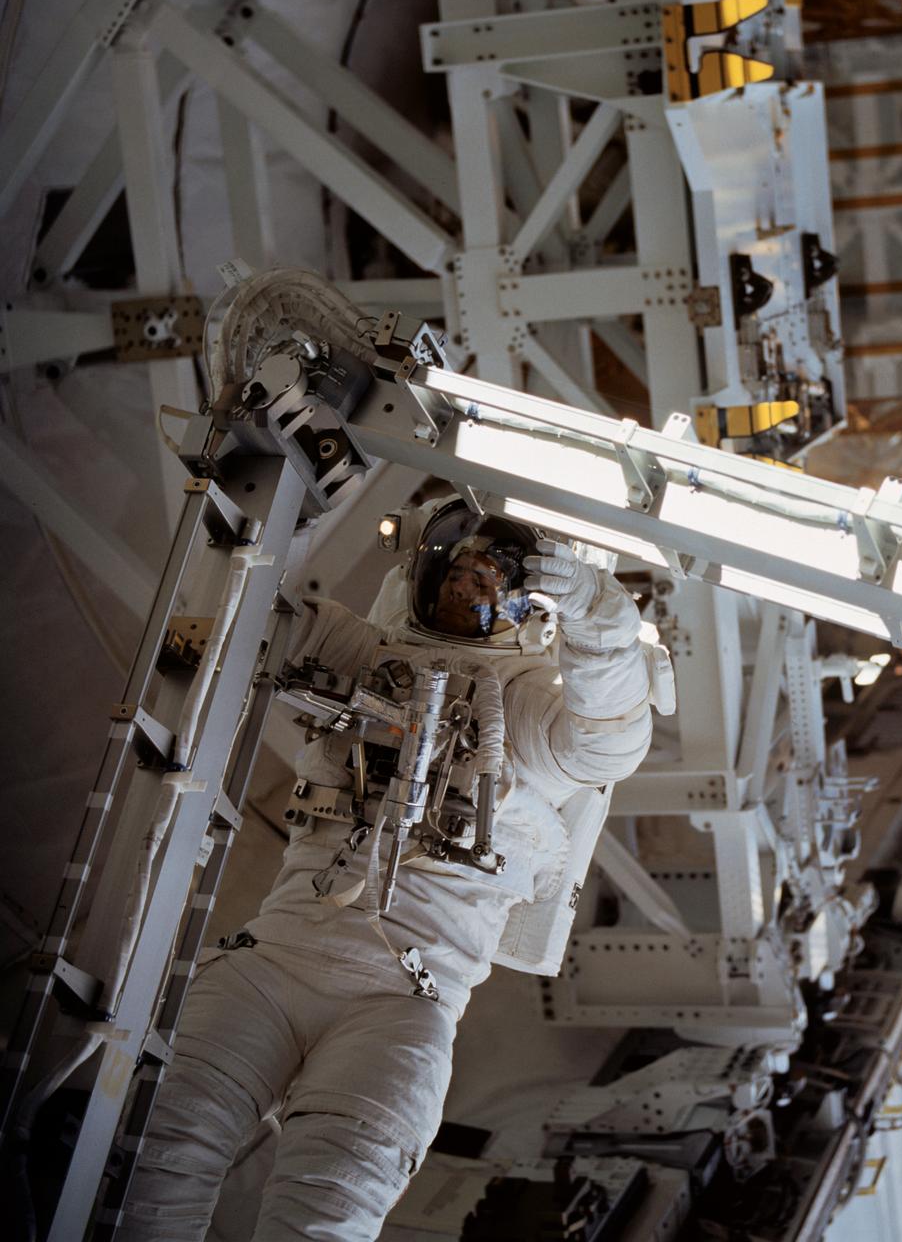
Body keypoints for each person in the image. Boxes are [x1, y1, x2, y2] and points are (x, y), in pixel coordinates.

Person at [118, 499, 670, 1241]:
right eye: (462, 565)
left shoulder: (534, 706)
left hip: (403, 1001)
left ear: (520, 608)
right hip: (271, 962)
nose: (470, 580)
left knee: (327, 1212)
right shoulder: (359, 649)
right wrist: (273, 506)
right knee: (152, 1172)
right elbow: (251, 611)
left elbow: (611, 736)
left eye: (492, 576)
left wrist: (595, 613)